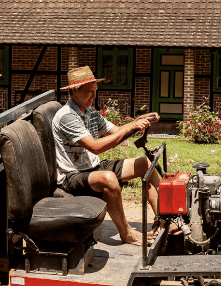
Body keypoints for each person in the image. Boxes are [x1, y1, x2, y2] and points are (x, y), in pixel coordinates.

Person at [52, 66, 160, 245]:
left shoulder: (91, 113)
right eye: (88, 92)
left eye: (95, 91)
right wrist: (132, 126)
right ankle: (127, 233)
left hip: (92, 168)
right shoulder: (67, 116)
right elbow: (95, 147)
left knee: (145, 164)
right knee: (109, 179)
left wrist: (140, 121)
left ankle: (163, 221)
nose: (93, 96)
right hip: (72, 176)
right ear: (74, 91)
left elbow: (117, 132)